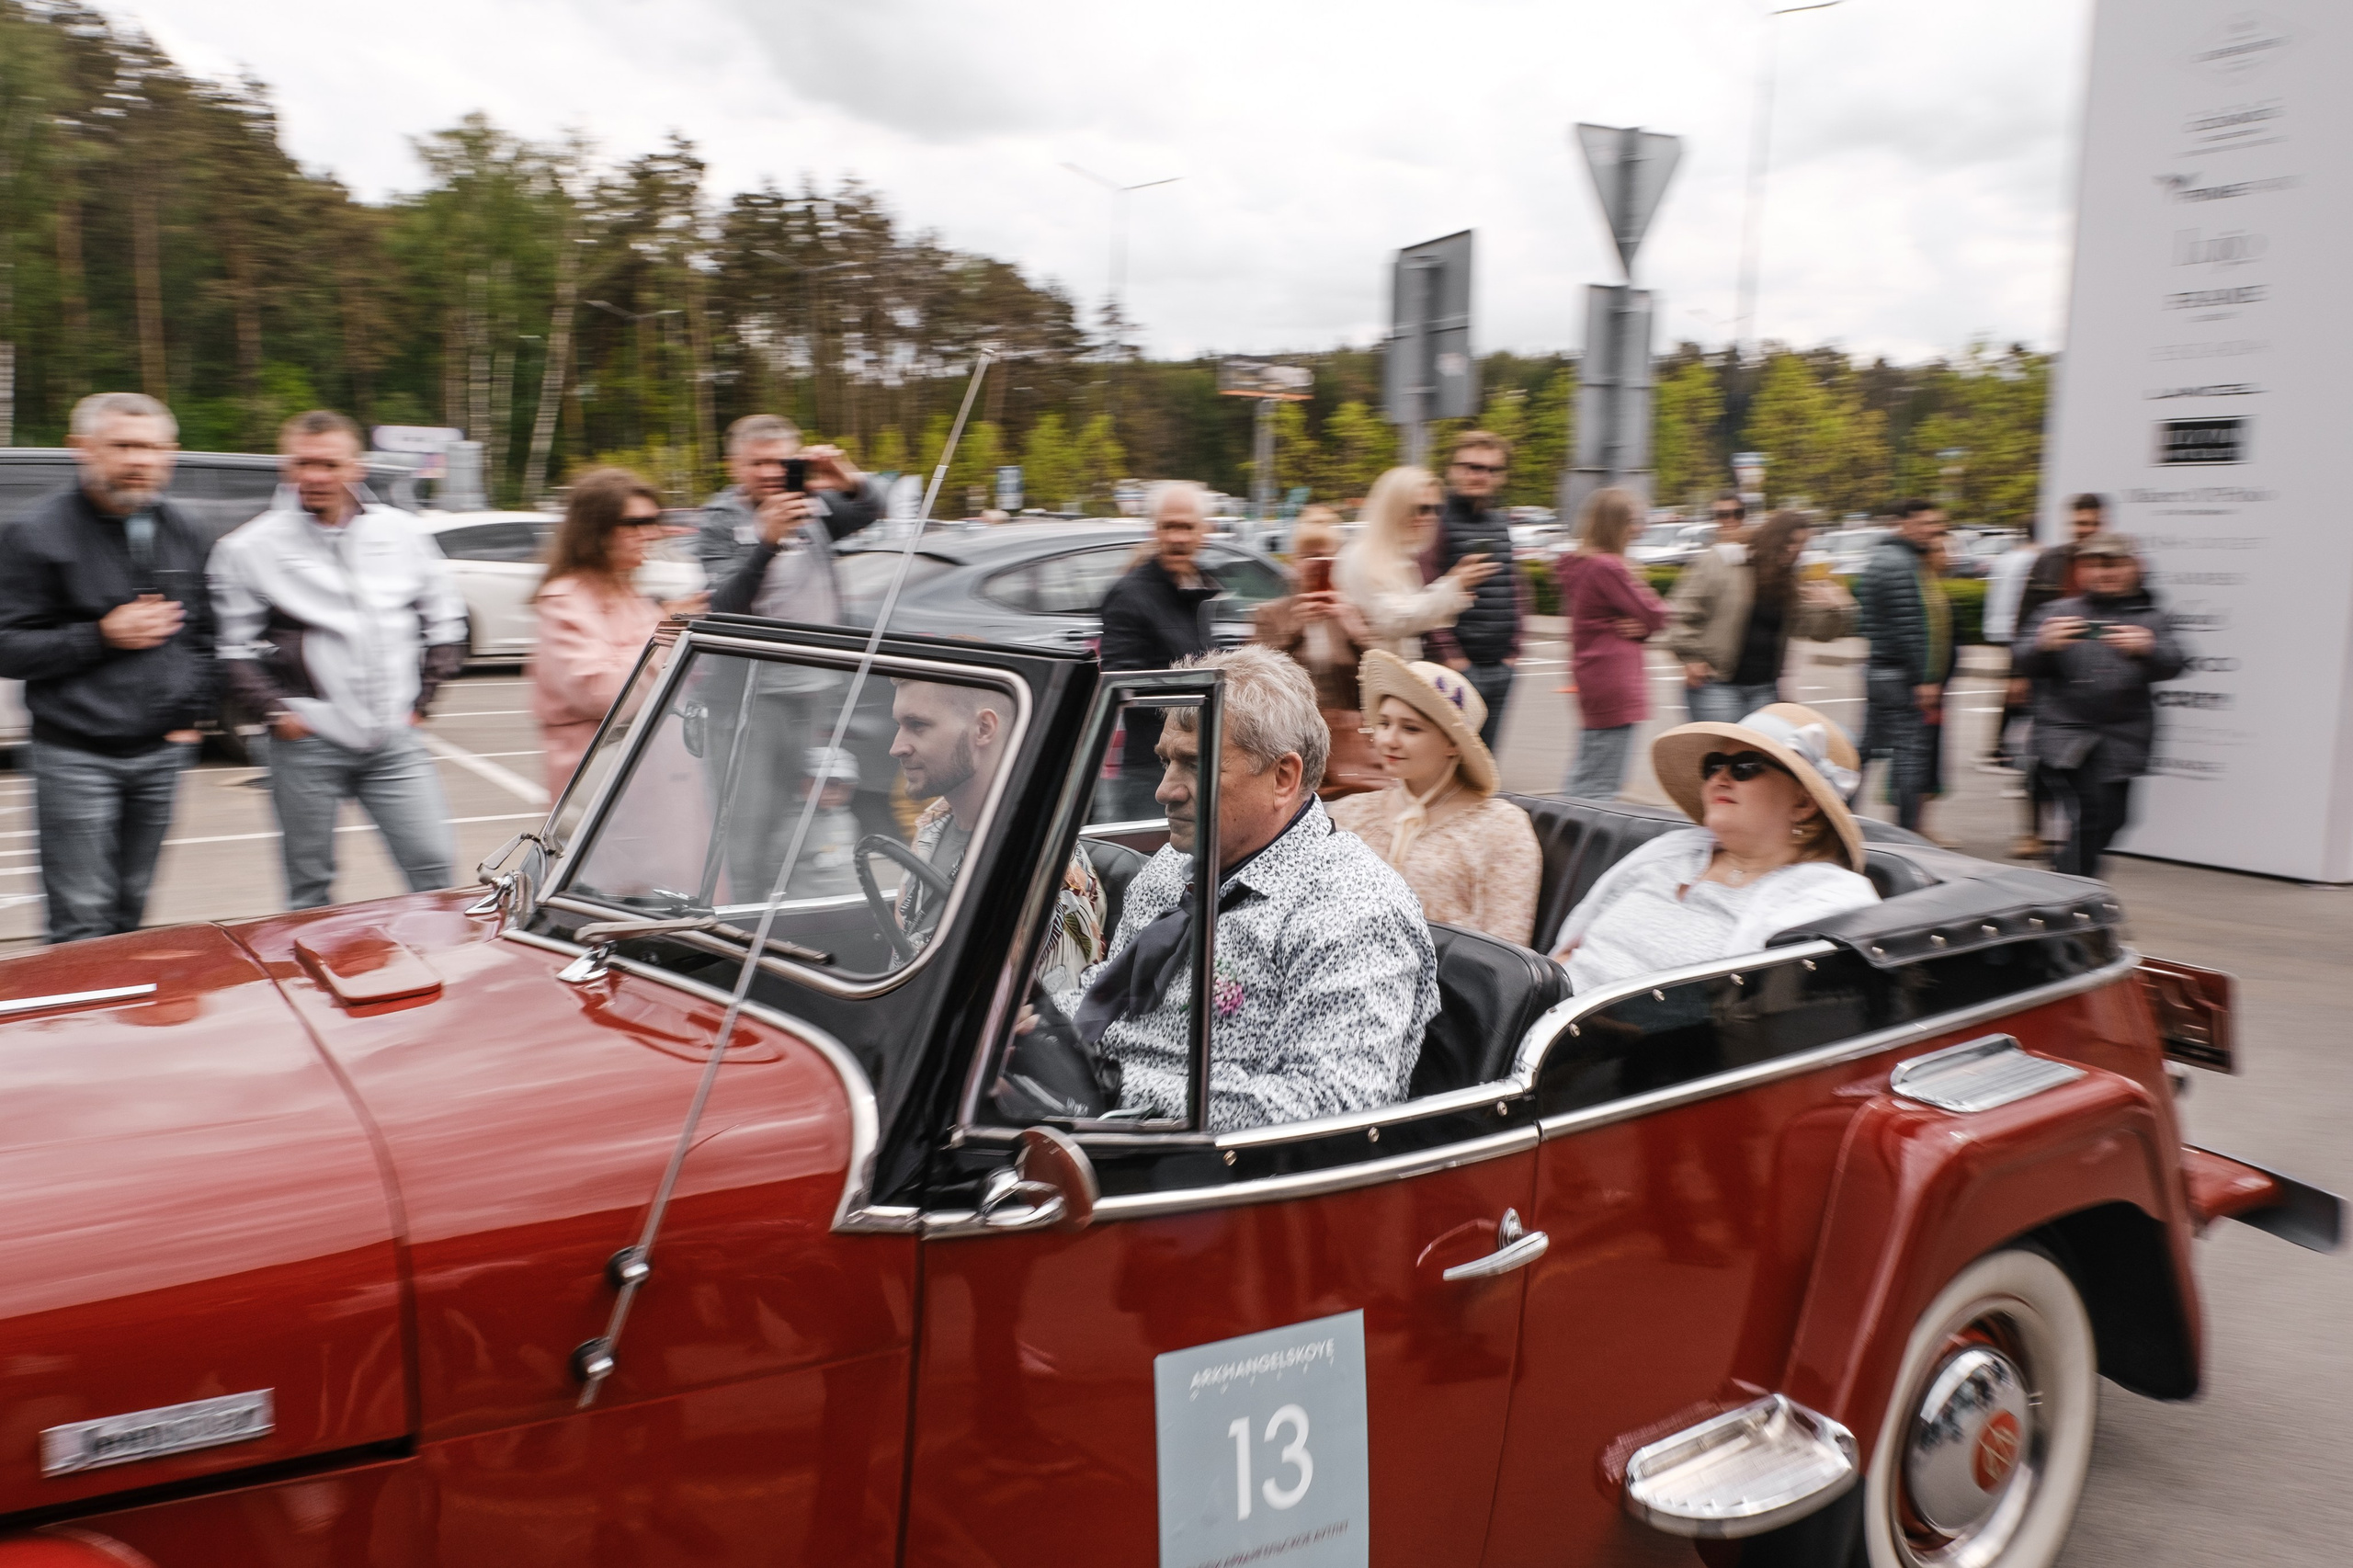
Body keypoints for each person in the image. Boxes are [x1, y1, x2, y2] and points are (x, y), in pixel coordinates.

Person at [1067, 646, 1438, 1132]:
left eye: (1195, 765)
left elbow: (1337, 1109)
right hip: (1095, 1126)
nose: (1166, 790)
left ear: (1283, 778)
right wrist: (1035, 1034)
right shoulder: (1172, 867)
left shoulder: (1355, 910)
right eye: (1165, 762)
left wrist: (1112, 1084)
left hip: (1213, 1178)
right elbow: (1106, 1002)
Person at [210, 410, 467, 910]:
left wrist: (424, 703)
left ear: (357, 467)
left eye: (329, 464)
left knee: (435, 868)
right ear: (286, 467)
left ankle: (446, 976)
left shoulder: (401, 533)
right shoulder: (247, 547)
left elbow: (446, 622)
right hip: (308, 742)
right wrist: (277, 715)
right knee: (310, 886)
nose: (314, 476)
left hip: (393, 739)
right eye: (302, 463)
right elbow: (230, 649)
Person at [0, 392, 215, 943]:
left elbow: (203, 634)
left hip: (160, 756)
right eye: (122, 446)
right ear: (81, 449)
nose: (138, 461)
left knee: (130, 912)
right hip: (74, 755)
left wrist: (188, 715)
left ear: (170, 454)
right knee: (80, 922)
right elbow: (7, 646)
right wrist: (100, 635)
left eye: (150, 448)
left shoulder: (184, 529)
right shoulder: (35, 533)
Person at [1551, 704, 1880, 994]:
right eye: (1714, 765)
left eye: (1745, 766)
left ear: (1804, 802)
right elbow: (1568, 953)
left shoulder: (1825, 901)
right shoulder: (1667, 854)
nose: (1720, 777)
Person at [889, 679, 1104, 989]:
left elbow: (1059, 1021)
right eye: (898, 725)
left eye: (917, 725)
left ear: (984, 729)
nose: (896, 747)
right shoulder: (932, 826)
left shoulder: (1047, 872)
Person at [1330, 651, 1540, 946]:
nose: (1389, 739)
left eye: (1410, 728)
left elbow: (1507, 949)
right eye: (1384, 723)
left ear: (1453, 743)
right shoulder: (1349, 813)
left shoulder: (1501, 827)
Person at [2013, 533, 2187, 877]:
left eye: (2113, 564)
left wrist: (2149, 648)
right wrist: (2042, 645)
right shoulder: (2056, 612)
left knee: (2115, 819)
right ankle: (2076, 908)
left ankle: (2061, 884)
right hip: (2065, 738)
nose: (2102, 573)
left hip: (2123, 738)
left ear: (2136, 568)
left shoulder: (2150, 617)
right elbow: (2022, 659)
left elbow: (2176, 662)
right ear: (2079, 572)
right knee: (2090, 813)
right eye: (2092, 564)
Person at [529, 468, 709, 792]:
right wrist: (667, 632)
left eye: (653, 521)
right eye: (635, 524)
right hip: (604, 788)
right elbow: (604, 693)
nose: (651, 534)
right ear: (595, 531)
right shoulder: (564, 599)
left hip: (648, 777)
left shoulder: (630, 593)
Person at [1098, 481, 1222, 819]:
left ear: (1204, 532)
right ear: (1155, 531)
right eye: (1170, 526)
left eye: (1187, 527)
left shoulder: (1202, 590)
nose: (1178, 537)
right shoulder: (1129, 594)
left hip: (1200, 763)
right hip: (1151, 771)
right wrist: (1203, 688)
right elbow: (1122, 684)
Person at [1666, 508, 1854, 722]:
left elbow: (1819, 631)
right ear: (1772, 538)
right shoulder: (1724, 563)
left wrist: (1833, 607)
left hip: (1765, 689)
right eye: (1790, 541)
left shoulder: (1787, 582)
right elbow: (1680, 611)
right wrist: (1690, 658)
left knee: (1759, 754)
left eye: (1802, 544)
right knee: (1724, 753)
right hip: (1716, 685)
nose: (1795, 550)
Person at [696, 414, 880, 622]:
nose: (770, 473)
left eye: (781, 462)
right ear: (733, 466)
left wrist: (850, 482)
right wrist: (768, 544)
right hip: (761, 651)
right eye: (757, 463)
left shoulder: (810, 500)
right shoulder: (719, 520)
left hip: (826, 647)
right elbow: (723, 605)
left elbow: (871, 512)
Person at [1250, 506, 1378, 793]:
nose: (1316, 564)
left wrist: (1357, 631)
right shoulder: (1271, 615)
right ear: (1294, 561)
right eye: (1308, 556)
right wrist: (1296, 628)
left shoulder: (1352, 613)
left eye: (1326, 557)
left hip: (1348, 755)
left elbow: (1383, 676)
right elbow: (1257, 678)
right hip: (1291, 746)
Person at [1553, 487, 1669, 800]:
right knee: (1600, 784)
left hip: (1594, 675)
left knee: (1588, 769)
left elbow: (1636, 620)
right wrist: (1643, 623)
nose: (1639, 528)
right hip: (1615, 678)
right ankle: (1574, 842)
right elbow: (1657, 614)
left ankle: (1563, 833)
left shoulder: (1580, 565)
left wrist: (1639, 629)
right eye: (1633, 521)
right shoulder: (1609, 567)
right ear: (1615, 524)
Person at [1418, 430, 1527, 748]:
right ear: (1452, 470)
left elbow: (1514, 585)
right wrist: (1451, 658)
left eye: (1492, 469)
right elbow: (1426, 591)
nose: (1481, 476)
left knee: (1484, 770)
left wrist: (1514, 651)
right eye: (1472, 467)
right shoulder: (1436, 523)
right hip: (1455, 670)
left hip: (1500, 668)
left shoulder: (1499, 522)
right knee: (1448, 768)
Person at [1856, 499, 1953, 833]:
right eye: (1927, 525)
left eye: (1937, 526)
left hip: (1877, 671)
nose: (1933, 532)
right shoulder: (1907, 565)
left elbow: (1867, 620)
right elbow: (1920, 626)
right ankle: (1907, 834)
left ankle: (1840, 815)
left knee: (1867, 750)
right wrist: (1928, 678)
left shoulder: (1878, 560)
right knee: (1911, 757)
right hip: (1903, 678)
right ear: (1904, 524)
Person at [1335, 465, 1497, 661]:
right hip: (1369, 679)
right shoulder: (1362, 555)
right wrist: (1454, 585)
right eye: (1420, 508)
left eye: (1436, 509)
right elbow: (1393, 622)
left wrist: (1455, 586)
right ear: (1395, 509)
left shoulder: (1399, 555)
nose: (1430, 518)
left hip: (1390, 677)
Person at [784, 745, 865, 900]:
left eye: (844, 787)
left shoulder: (848, 820)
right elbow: (777, 867)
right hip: (806, 905)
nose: (835, 793)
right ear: (805, 784)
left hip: (844, 901)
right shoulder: (796, 824)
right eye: (827, 784)